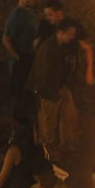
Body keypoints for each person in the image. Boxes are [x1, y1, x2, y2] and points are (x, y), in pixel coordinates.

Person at [28, 18, 79, 155]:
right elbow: (44, 74)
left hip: (61, 87)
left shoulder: (63, 46)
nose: (72, 37)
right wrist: (51, 93)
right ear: (60, 32)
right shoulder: (48, 49)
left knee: (69, 117)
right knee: (48, 123)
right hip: (48, 91)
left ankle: (66, 146)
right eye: (69, 34)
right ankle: (49, 152)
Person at [2, 0, 38, 114]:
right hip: (19, 63)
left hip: (29, 59)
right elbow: (5, 40)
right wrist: (19, 58)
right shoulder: (16, 15)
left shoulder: (31, 12)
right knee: (18, 95)